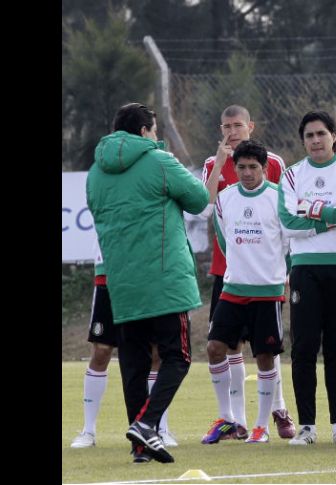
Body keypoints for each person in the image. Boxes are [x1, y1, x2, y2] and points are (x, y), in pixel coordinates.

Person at [87, 102, 210, 464]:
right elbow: (199, 198)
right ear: (144, 131)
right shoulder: (159, 160)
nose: (157, 137)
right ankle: (147, 424)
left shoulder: (96, 172)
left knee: (134, 363)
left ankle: (140, 445)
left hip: (121, 281)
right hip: (164, 279)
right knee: (178, 356)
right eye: (155, 130)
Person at [200, 105, 295, 442]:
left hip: (267, 277)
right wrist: (221, 161)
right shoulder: (215, 167)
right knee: (224, 346)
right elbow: (209, 211)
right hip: (230, 276)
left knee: (266, 350)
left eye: (237, 125)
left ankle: (276, 412)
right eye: (226, 126)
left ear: (250, 126)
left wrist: (282, 268)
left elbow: (287, 223)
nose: (231, 131)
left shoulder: (275, 167)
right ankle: (233, 419)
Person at [278, 110, 336, 445]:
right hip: (304, 269)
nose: (315, 141)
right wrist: (331, 219)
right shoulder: (291, 175)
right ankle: (306, 427)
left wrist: (314, 211)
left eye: (321, 134)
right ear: (303, 140)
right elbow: (288, 224)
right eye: (309, 136)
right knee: (303, 347)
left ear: (333, 135)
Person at [71, 243, 178, 454]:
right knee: (101, 351)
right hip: (109, 271)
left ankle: (159, 428)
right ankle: (88, 431)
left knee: (155, 352)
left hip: (146, 272)